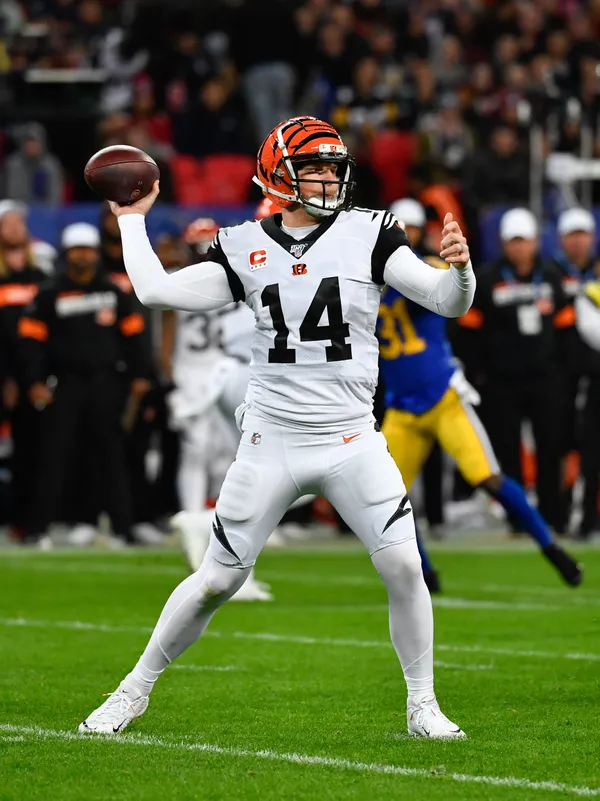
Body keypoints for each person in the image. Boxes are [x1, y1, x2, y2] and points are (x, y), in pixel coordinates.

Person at [79, 115, 475, 740]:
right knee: (217, 581)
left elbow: (446, 300)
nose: (328, 180)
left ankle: (422, 704)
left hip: (351, 437)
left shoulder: (372, 233)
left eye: (333, 168)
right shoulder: (243, 245)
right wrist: (132, 219)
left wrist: (460, 271)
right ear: (278, 176)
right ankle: (131, 691)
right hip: (273, 439)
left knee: (404, 566)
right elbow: (154, 291)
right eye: (313, 169)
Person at [380, 199, 582, 588]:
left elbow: (444, 281)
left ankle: (552, 548)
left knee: (486, 476)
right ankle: (424, 571)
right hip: (401, 406)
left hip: (442, 397)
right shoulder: (367, 277)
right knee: (388, 497)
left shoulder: (419, 268)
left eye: (412, 229)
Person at [158, 219, 272, 601]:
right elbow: (168, 327)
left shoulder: (237, 277)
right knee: (199, 451)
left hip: (225, 370)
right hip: (197, 372)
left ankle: (211, 528)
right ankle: (196, 519)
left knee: (228, 455)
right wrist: (167, 372)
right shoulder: (185, 278)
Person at [18, 223, 151, 546]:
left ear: (96, 253)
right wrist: (34, 381)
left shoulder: (112, 291)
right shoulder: (49, 292)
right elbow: (30, 342)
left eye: (88, 250)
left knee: (112, 457)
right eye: (77, 251)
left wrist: (141, 375)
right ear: (67, 254)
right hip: (64, 383)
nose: (83, 257)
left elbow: (135, 335)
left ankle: (123, 528)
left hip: (107, 383)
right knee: (54, 457)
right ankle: (39, 529)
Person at [454, 208, 570, 532]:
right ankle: (519, 520)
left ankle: (553, 517)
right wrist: (479, 374)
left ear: (536, 242)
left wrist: (563, 371)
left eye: (524, 240)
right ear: (504, 243)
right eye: (514, 241)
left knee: (550, 447)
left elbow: (565, 327)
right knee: (507, 451)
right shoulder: (487, 277)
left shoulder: (551, 276)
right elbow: (470, 331)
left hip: (546, 379)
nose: (519, 247)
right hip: (502, 381)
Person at [551, 208, 599, 534]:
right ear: (561, 238)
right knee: (561, 443)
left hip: (595, 374)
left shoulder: (595, 272)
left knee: (591, 446)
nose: (578, 241)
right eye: (572, 235)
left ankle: (586, 516)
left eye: (583, 234)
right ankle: (562, 512)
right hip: (559, 374)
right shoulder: (550, 272)